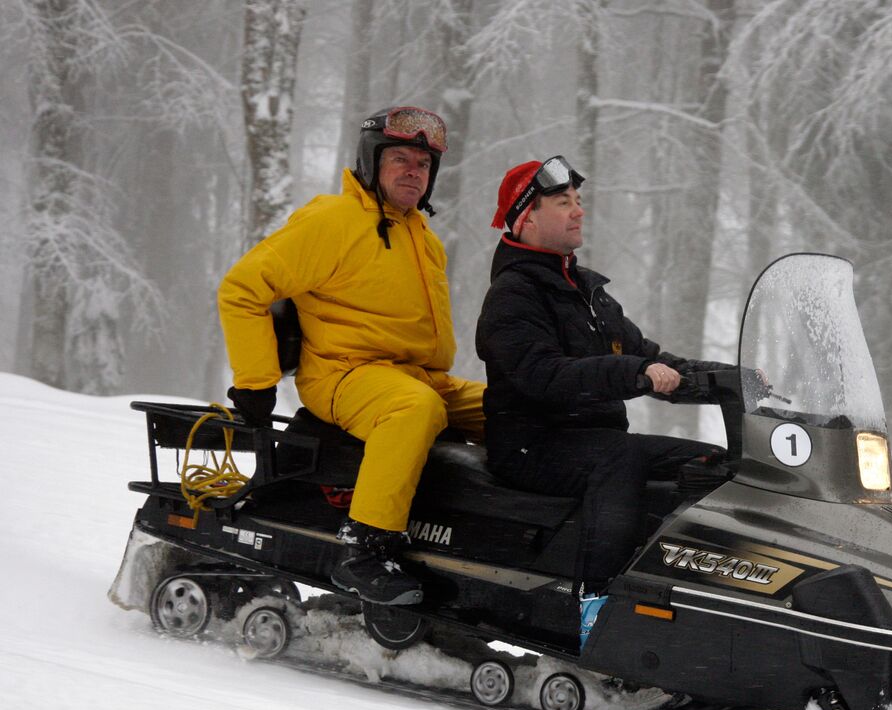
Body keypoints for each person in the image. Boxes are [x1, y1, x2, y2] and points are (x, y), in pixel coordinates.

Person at [219, 106, 485, 607]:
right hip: (344, 376)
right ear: (371, 163)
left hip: (415, 377)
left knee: (515, 407)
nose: (414, 172)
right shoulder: (334, 220)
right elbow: (242, 288)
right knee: (413, 409)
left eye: (424, 165)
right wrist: (255, 382)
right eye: (401, 159)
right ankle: (365, 548)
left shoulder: (420, 235)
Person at [475, 156, 728, 634]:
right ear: (527, 216)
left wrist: (735, 381)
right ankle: (595, 606)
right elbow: (543, 375)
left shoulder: (587, 293)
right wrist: (634, 373)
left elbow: (653, 360)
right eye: (563, 202)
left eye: (578, 201)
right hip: (533, 446)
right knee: (620, 457)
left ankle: (702, 594)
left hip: (596, 443)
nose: (578, 211)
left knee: (713, 465)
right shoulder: (513, 294)